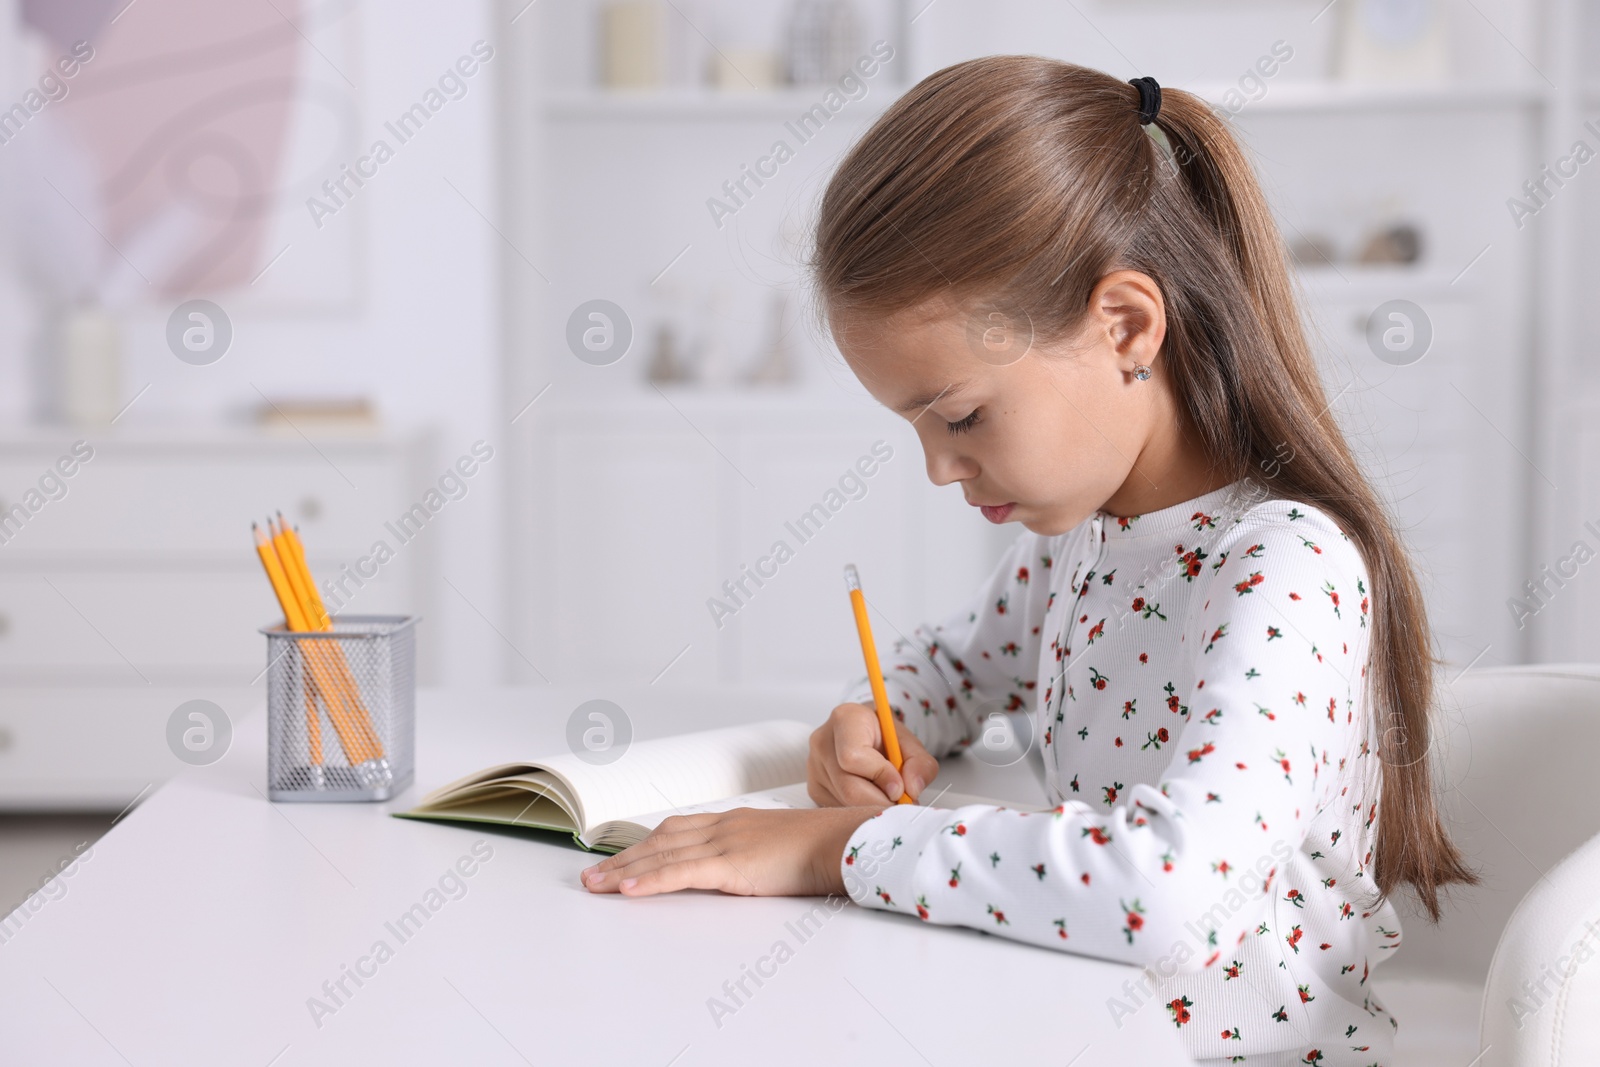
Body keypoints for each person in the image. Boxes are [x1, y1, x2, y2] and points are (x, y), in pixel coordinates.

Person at [580, 56, 1476, 1065]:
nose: (937, 466)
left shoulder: (1281, 566)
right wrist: (880, 719)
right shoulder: (1083, 538)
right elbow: (959, 663)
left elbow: (1172, 890)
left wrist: (838, 847)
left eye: (959, 414)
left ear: (1126, 326)